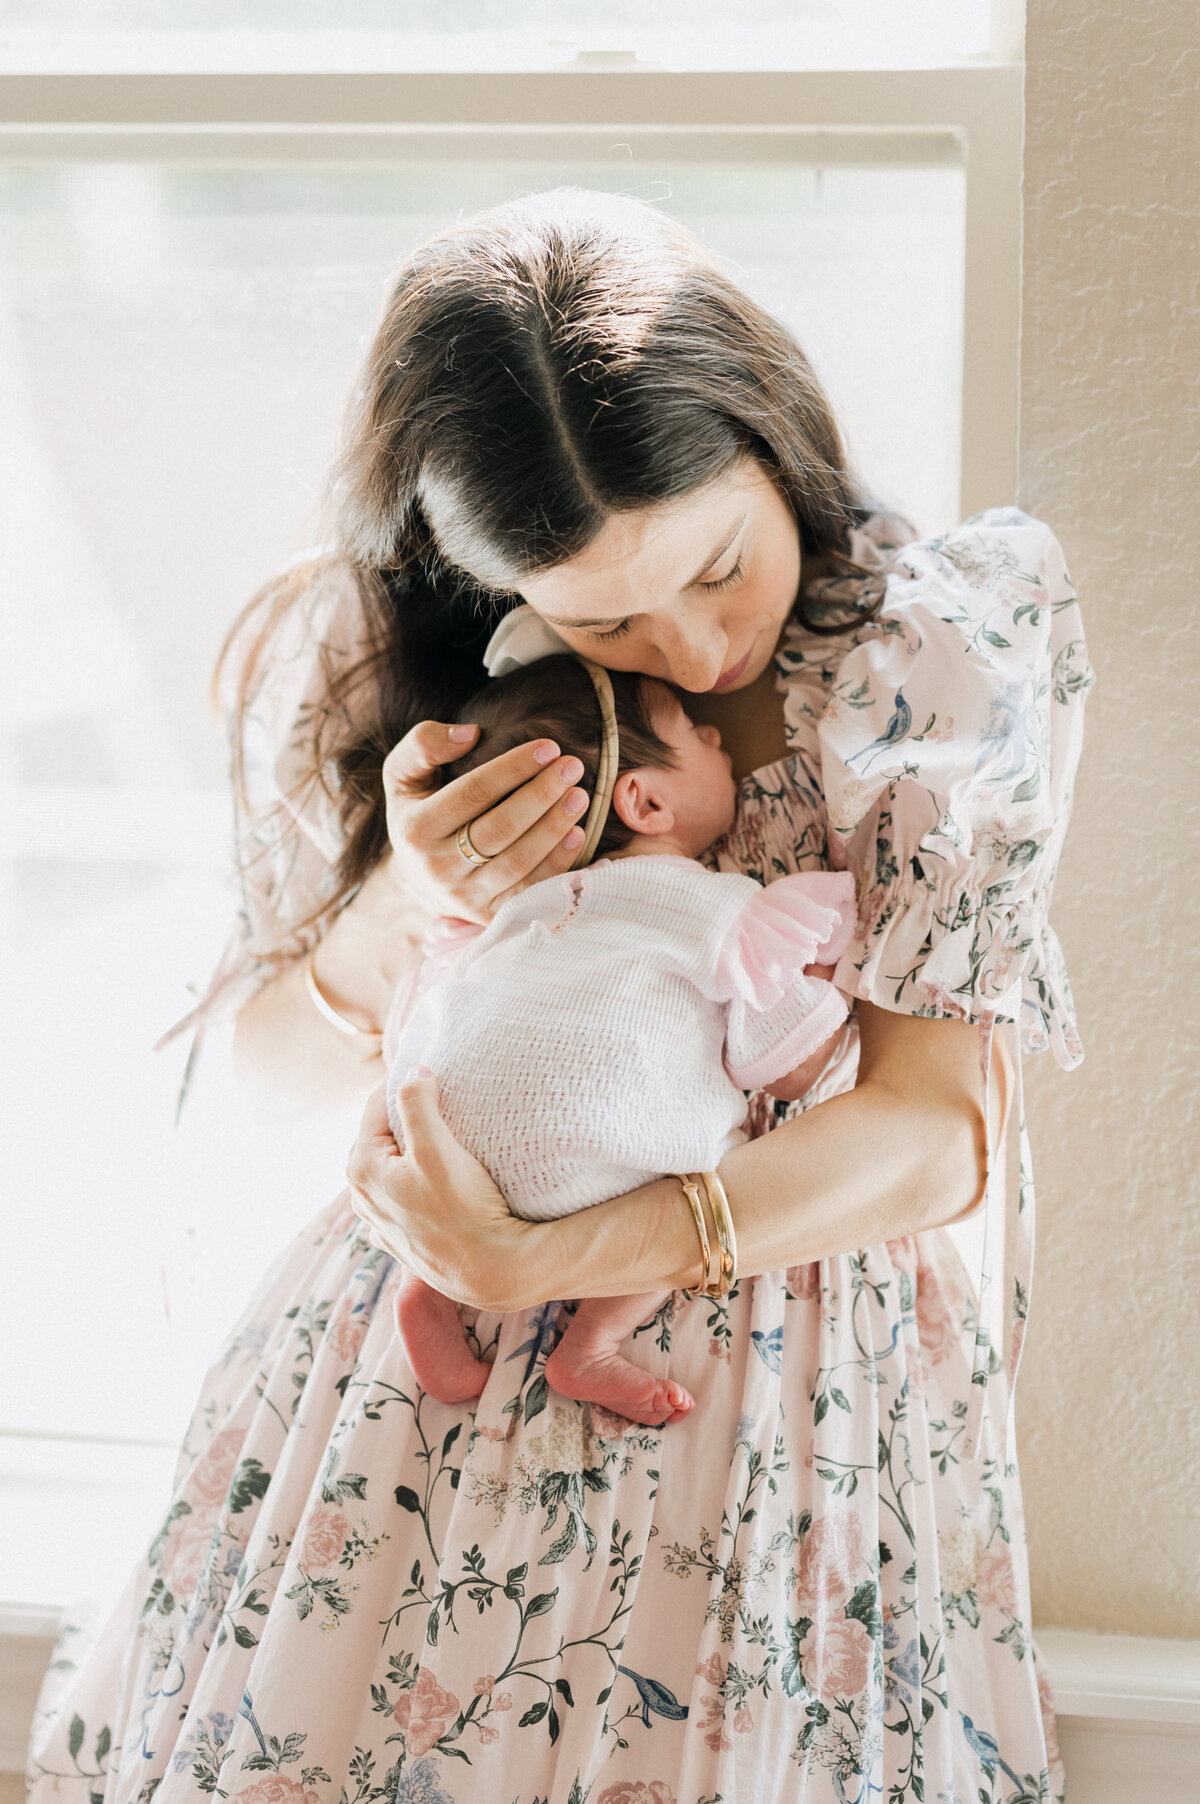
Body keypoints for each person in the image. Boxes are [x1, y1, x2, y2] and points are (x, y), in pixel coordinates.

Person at [28, 189, 1091, 1804]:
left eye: (720, 568)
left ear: (767, 429)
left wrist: (552, 1253)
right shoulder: (451, 679)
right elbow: (260, 1088)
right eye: (604, 616)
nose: (692, 646)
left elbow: (939, 1135)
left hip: (773, 1405)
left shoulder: (934, 663)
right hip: (391, 1401)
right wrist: (420, 900)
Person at [381, 653, 855, 1425]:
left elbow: (426, 1003)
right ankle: (589, 1346)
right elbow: (789, 1066)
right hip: (595, 1167)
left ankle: (423, 1287)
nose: (711, 728)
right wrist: (828, 998)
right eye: (690, 729)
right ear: (643, 801)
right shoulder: (709, 904)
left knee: (458, 1157)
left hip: (450, 1158)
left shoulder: (510, 914)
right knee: (694, 1183)